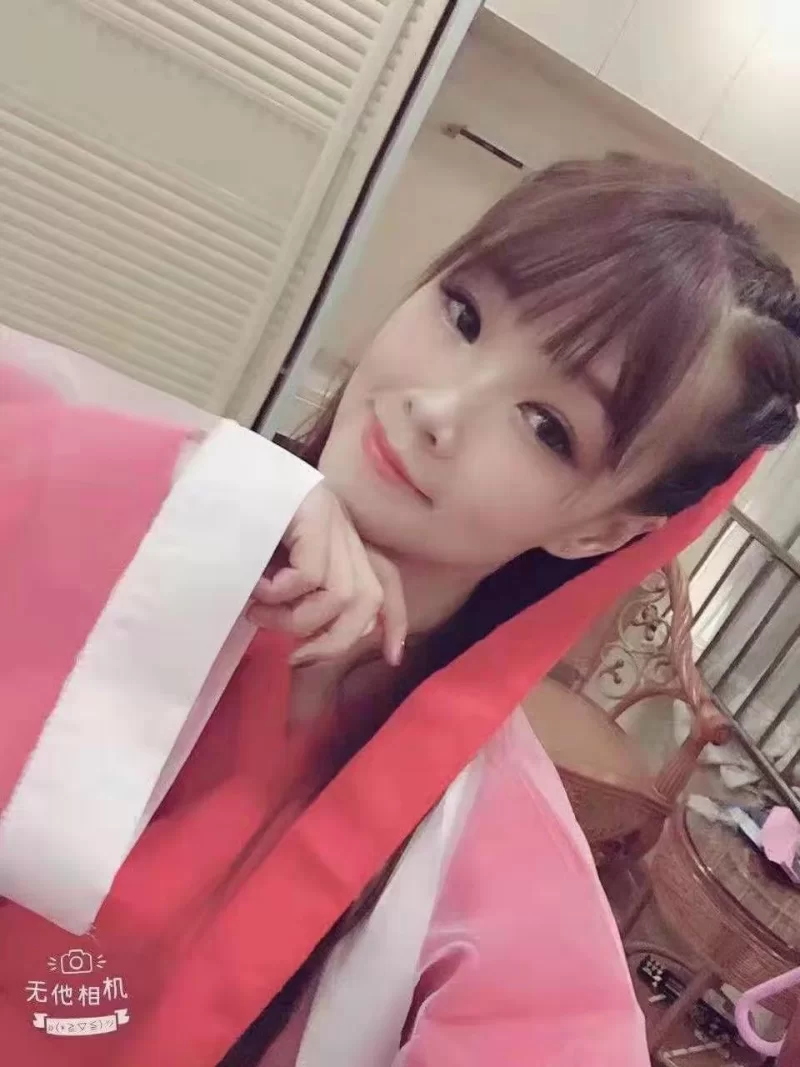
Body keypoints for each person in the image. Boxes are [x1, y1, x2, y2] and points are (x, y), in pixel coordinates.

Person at [0, 155, 798, 1067]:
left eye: (547, 427)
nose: (437, 407)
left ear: (602, 529)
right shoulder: (109, 498)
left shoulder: (491, 850)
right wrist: (221, 497)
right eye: (463, 315)